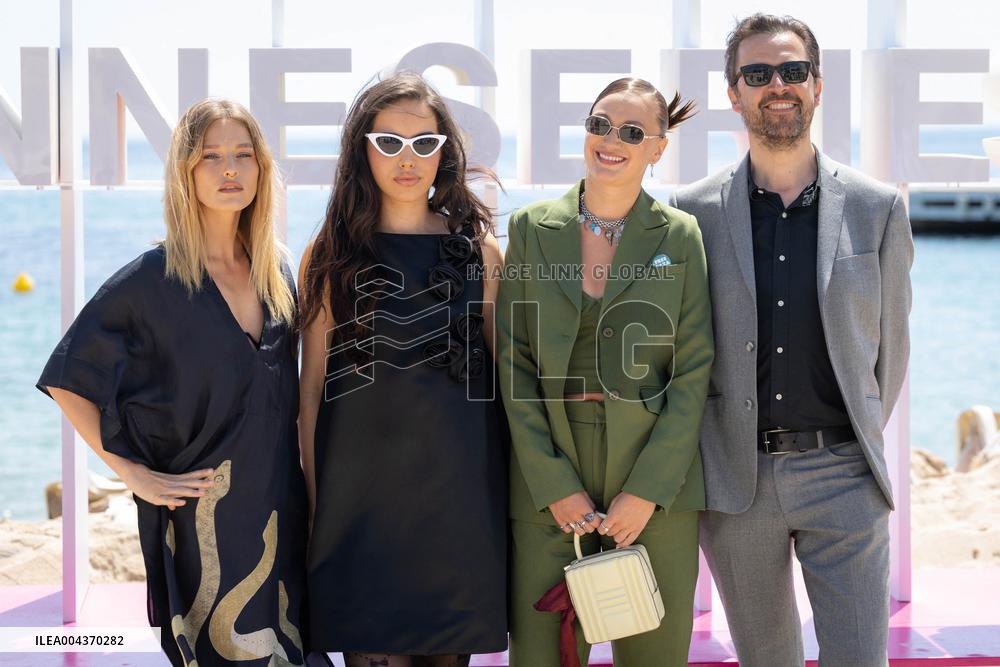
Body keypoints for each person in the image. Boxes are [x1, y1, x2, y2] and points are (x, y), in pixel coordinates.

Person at [672, 13, 913, 667]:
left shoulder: (877, 208)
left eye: (793, 70)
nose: (777, 84)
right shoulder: (690, 214)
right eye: (757, 73)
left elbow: (890, 354)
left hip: (843, 476)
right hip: (737, 484)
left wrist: (854, 448)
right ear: (735, 93)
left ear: (817, 83)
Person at [37, 99, 309, 666]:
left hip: (283, 514)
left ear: (262, 169)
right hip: (204, 523)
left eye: (243, 154)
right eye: (211, 156)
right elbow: (68, 378)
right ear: (185, 171)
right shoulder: (152, 280)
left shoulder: (276, 272)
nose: (230, 169)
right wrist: (134, 475)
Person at [497, 77, 713, 666]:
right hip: (549, 485)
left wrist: (646, 491)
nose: (611, 140)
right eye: (599, 125)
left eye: (632, 131)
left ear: (658, 148)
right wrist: (552, 484)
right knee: (542, 657)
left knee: (654, 658)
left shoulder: (682, 235)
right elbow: (512, 363)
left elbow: (693, 371)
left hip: (653, 489)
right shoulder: (529, 229)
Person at [298, 72, 507, 667]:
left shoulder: (482, 250)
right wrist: (319, 499)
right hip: (360, 514)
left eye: (423, 143)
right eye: (389, 142)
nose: (406, 159)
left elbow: (504, 385)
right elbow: (310, 391)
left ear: (444, 151)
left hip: (461, 510)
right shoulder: (330, 253)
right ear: (362, 148)